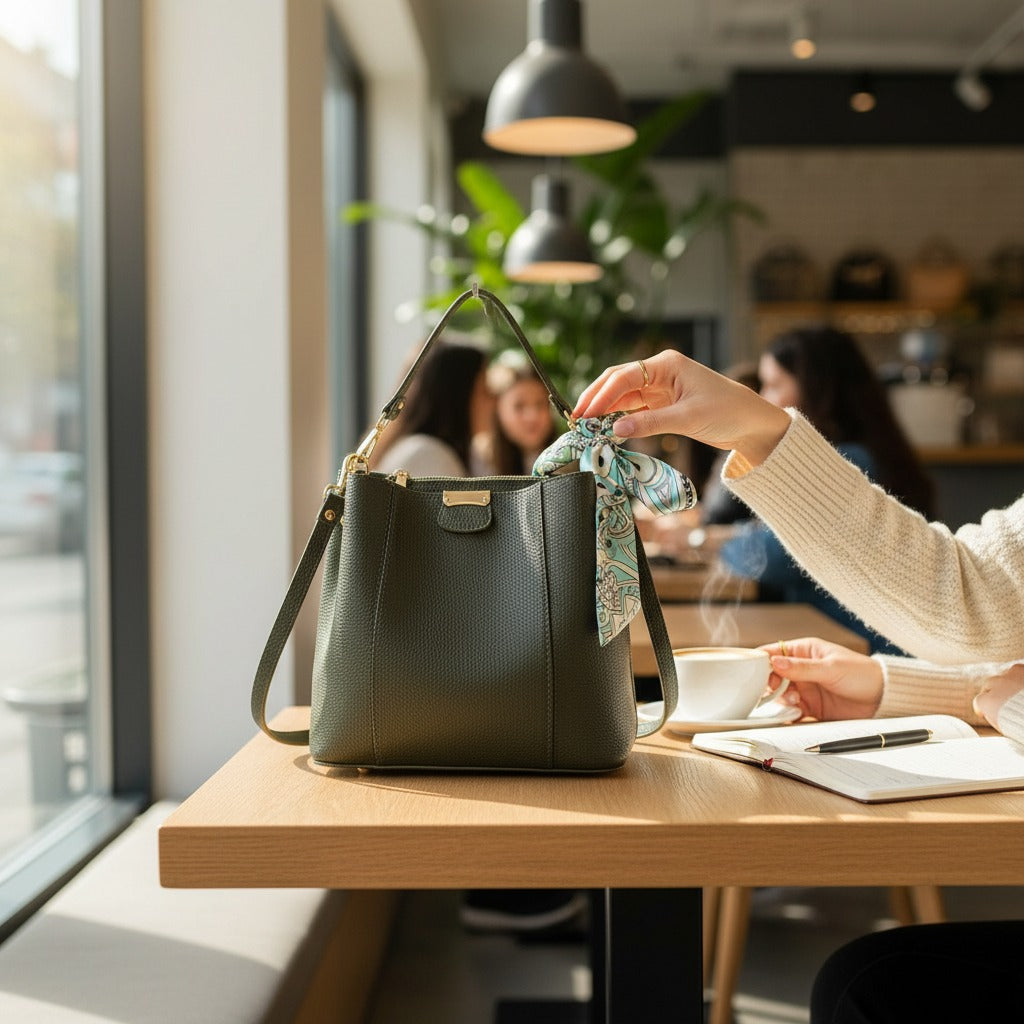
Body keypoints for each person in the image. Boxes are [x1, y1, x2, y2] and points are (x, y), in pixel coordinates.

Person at [573, 349, 1024, 1021]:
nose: (769, 389)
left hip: (878, 626)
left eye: (777, 383)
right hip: (894, 652)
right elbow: (978, 595)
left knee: (868, 987)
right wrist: (891, 685)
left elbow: (770, 554)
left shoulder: (855, 457)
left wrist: (1005, 701)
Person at [717, 328, 934, 654]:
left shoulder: (847, 462)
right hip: (853, 646)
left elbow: (775, 558)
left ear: (817, 391)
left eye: (774, 385)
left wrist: (708, 543)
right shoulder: (867, 452)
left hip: (866, 652)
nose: (763, 398)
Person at [372, 341, 493, 476]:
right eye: (485, 390)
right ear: (457, 397)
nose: (494, 400)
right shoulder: (430, 456)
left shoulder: (431, 451)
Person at [471, 355, 559, 475]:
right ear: (497, 407)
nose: (532, 416)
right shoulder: (479, 458)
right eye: (519, 406)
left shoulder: (571, 459)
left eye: (540, 404)